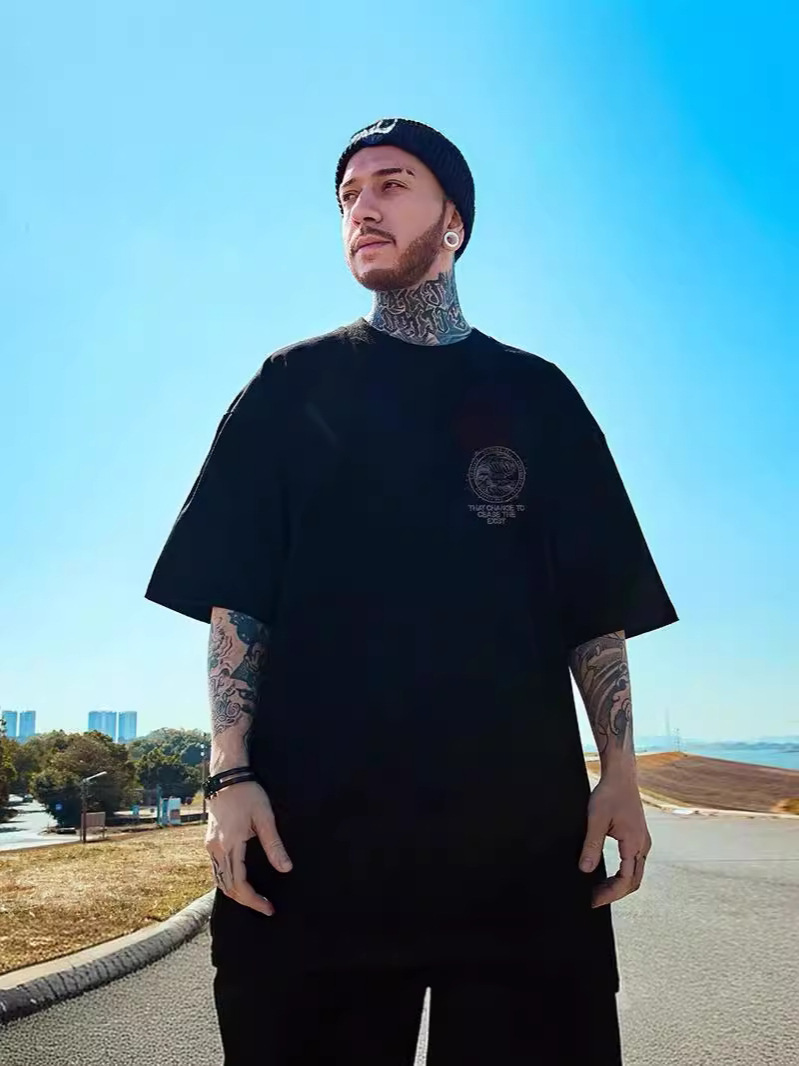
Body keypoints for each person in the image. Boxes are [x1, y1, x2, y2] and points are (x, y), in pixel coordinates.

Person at [145, 118, 678, 1065]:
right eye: (348, 196)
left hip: (519, 845)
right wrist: (229, 775)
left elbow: (593, 611)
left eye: (391, 184)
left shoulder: (539, 398)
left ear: (454, 223)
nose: (363, 208)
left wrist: (621, 777)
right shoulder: (290, 389)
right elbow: (237, 603)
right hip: (312, 845)